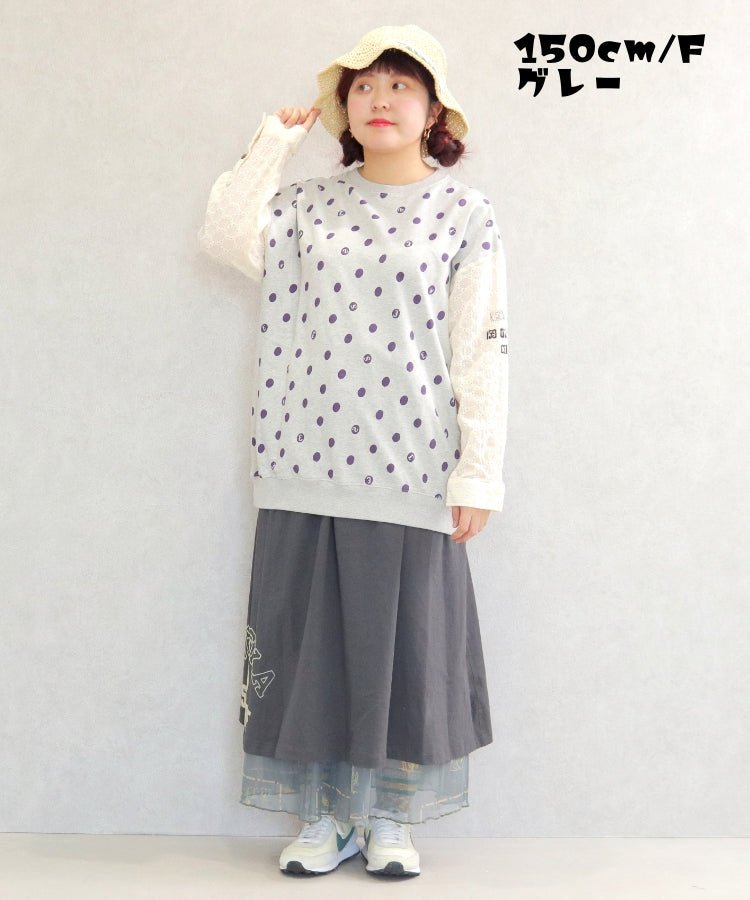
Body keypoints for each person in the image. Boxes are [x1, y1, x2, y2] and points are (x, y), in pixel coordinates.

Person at [198, 24, 508, 878]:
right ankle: (323, 819)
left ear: (433, 110)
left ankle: (389, 820)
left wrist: (478, 469)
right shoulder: (304, 207)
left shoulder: (464, 213)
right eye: (364, 86)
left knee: (404, 651)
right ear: (345, 107)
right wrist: (272, 145)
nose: (380, 100)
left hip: (413, 467)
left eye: (401, 85)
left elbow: (481, 346)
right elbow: (226, 237)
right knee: (311, 651)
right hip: (304, 461)